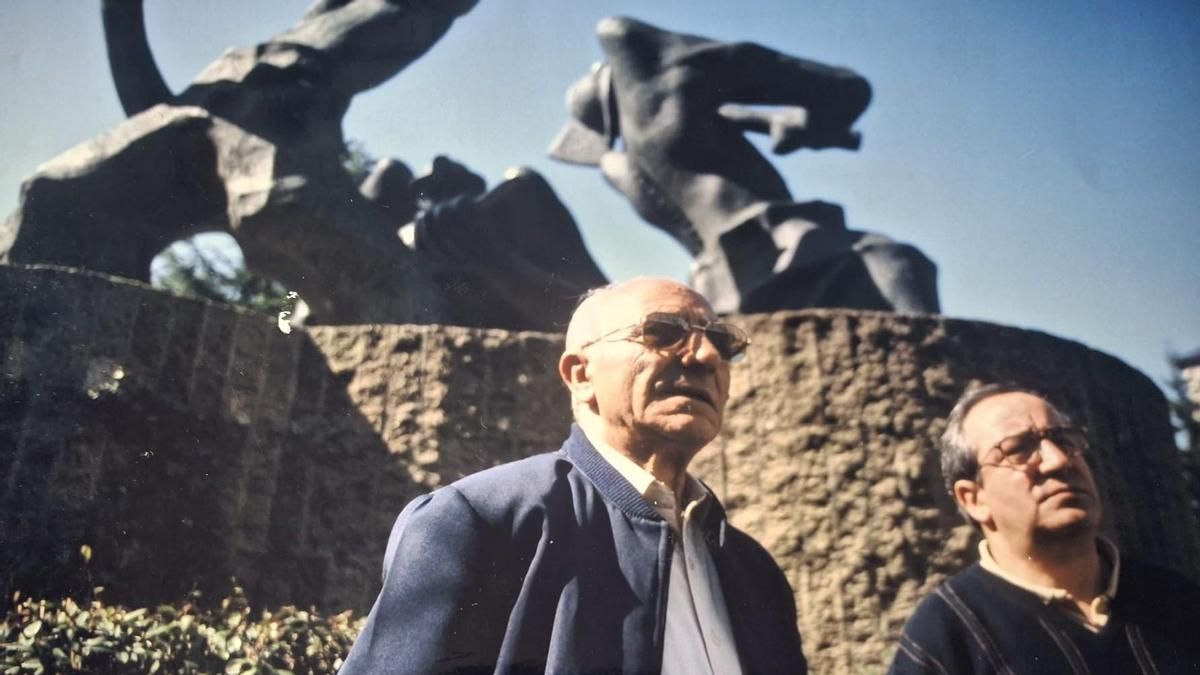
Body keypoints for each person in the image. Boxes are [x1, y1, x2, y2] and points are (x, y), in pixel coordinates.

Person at [339, 277, 807, 674]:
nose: (706, 356)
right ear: (580, 374)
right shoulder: (482, 520)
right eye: (665, 332)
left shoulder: (755, 573)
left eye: (722, 342)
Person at [889, 384, 1200, 674]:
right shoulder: (945, 635)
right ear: (973, 499)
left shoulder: (1175, 600)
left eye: (1064, 440)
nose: (1058, 460)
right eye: (1019, 448)